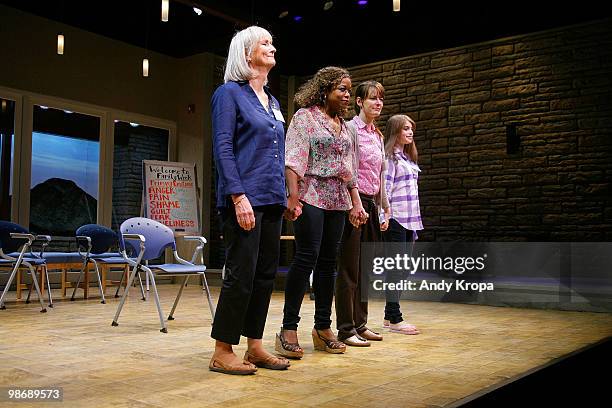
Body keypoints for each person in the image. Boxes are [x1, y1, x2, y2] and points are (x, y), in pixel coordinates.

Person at [209, 26, 290, 375]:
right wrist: (237, 195)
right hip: (245, 196)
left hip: (272, 198)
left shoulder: (272, 101)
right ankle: (223, 348)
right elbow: (223, 148)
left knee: (265, 275)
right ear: (245, 53)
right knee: (241, 274)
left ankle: (254, 345)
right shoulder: (229, 94)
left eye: (273, 42)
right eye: (265, 43)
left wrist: (287, 195)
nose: (272, 47)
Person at [277, 66, 354, 358]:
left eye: (348, 89)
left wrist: (355, 201)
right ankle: (288, 328)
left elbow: (348, 168)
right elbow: (293, 159)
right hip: (310, 194)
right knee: (306, 257)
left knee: (327, 262)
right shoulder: (305, 117)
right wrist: (293, 197)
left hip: (337, 198)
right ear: (325, 91)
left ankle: (323, 328)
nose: (347, 95)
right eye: (342, 89)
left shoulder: (343, 125)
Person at [335, 81, 390, 347]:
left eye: (380, 99)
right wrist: (354, 204)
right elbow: (348, 169)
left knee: (366, 269)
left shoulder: (377, 135)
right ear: (359, 102)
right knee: (350, 269)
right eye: (372, 99)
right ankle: (345, 328)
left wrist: (384, 208)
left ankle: (361, 323)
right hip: (351, 203)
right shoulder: (351, 130)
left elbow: (380, 174)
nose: (377, 103)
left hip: (371, 203)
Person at [383, 114, 423, 335]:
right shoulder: (390, 158)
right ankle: (395, 317)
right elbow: (385, 191)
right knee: (396, 269)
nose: (409, 132)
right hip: (396, 219)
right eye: (405, 128)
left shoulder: (408, 159)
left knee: (405, 269)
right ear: (395, 131)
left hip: (411, 220)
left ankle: (389, 316)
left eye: (411, 129)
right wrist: (384, 216)